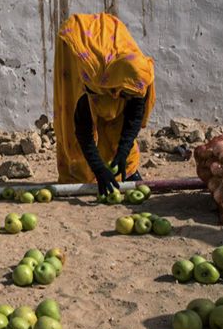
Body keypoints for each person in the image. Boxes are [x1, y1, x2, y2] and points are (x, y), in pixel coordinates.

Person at [53, 13, 156, 197]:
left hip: (111, 56)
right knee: (82, 165)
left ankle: (127, 169)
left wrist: (123, 152)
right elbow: (83, 131)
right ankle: (86, 173)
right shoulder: (88, 80)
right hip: (77, 47)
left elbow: (134, 114)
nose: (128, 98)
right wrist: (99, 169)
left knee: (120, 131)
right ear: (117, 86)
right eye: (125, 94)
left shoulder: (138, 78)